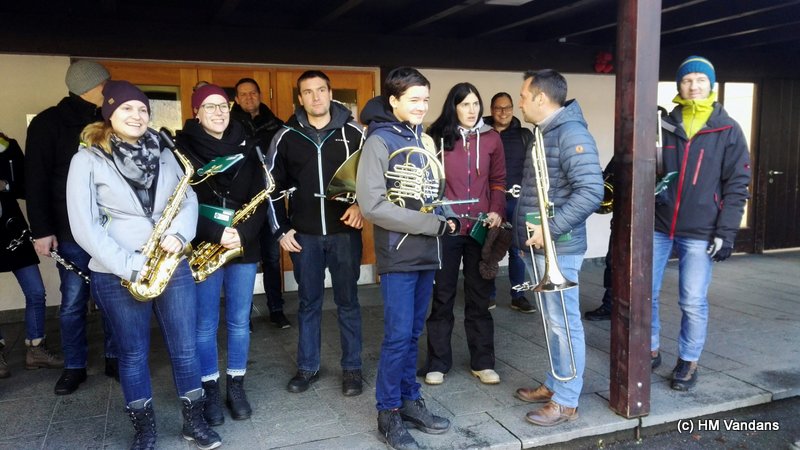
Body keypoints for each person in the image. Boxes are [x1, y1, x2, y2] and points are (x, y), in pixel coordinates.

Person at [66, 80, 220, 450]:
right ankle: (144, 431)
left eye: (143, 109)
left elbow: (187, 199)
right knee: (132, 354)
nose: (137, 115)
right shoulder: (87, 159)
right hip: (118, 272)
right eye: (127, 108)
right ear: (109, 113)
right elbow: (84, 226)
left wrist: (180, 235)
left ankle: (194, 423)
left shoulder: (166, 153)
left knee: (185, 348)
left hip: (171, 264)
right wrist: (130, 266)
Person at [356, 66, 454, 450]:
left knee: (413, 333)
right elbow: (373, 205)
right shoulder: (379, 140)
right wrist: (432, 224)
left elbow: (428, 191)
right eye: (414, 99)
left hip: (426, 252)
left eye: (426, 99)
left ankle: (410, 399)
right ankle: (388, 412)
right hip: (398, 254)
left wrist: (444, 214)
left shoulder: (421, 138)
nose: (422, 106)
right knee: (397, 337)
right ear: (393, 100)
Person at [652, 56, 750, 391]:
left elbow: (738, 184)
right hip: (659, 224)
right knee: (645, 293)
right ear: (678, 85)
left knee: (692, 300)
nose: (693, 86)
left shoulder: (728, 129)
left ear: (711, 85)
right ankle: (649, 347)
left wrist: (726, 231)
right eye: (687, 80)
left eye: (700, 80)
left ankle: (688, 359)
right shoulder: (664, 125)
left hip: (701, 229)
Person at [513, 69, 603, 427]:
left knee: (564, 324)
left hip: (559, 247)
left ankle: (567, 401)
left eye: (523, 96)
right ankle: (556, 383)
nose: (520, 102)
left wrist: (548, 229)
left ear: (540, 97)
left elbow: (591, 192)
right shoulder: (545, 132)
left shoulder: (571, 134)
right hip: (541, 245)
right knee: (553, 323)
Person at [266, 70, 365, 396]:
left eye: (321, 90)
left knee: (348, 301)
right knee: (308, 303)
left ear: (330, 93)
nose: (315, 97)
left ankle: (352, 368)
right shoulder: (286, 136)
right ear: (300, 98)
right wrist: (281, 230)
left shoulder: (355, 133)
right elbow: (271, 188)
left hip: (344, 234)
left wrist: (361, 206)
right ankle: (307, 367)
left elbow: (373, 179)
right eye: (308, 92)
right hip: (304, 237)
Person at [25, 60, 117, 395]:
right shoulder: (48, 123)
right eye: (105, 82)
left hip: (111, 228)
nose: (110, 87)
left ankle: (115, 358)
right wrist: (41, 230)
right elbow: (35, 180)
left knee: (113, 296)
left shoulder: (110, 118)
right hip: (69, 230)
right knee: (73, 301)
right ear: (89, 86)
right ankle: (74, 366)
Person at [177, 83, 265, 424]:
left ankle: (236, 385)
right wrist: (217, 233)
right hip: (204, 245)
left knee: (240, 321)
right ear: (196, 112)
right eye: (209, 106)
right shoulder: (181, 150)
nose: (218, 112)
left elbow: (261, 198)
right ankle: (210, 388)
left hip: (243, 243)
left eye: (223, 106)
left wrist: (241, 234)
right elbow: (180, 204)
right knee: (205, 325)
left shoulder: (249, 145)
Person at [420, 82, 506, 386]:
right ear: (453, 107)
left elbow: (498, 181)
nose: (471, 110)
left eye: (475, 104)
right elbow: (428, 183)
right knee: (442, 296)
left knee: (479, 297)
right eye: (465, 104)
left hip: (481, 227)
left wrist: (496, 209)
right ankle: (437, 363)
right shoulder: (436, 137)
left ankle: (483, 363)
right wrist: (441, 215)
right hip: (448, 228)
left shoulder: (492, 138)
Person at [230, 77, 291, 329]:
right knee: (242, 259)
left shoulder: (276, 125)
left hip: (269, 200)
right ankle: (242, 315)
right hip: (242, 203)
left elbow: (285, 161)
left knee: (272, 257)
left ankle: (276, 309)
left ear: (260, 95)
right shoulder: (229, 126)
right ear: (236, 99)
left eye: (253, 93)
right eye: (243, 94)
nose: (249, 98)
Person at [0, 133, 63, 377]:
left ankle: (36, 349)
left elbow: (28, 187)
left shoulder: (8, 146)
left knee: (36, 291)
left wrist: (5, 186)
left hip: (13, 228)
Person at [483, 92, 536, 314]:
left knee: (517, 251)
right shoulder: (482, 133)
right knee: (487, 249)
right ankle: (488, 295)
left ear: (513, 109)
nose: (503, 112)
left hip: (516, 202)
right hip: (488, 202)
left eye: (507, 107)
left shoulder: (524, 135)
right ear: (491, 109)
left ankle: (518, 296)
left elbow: (533, 169)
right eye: (498, 108)